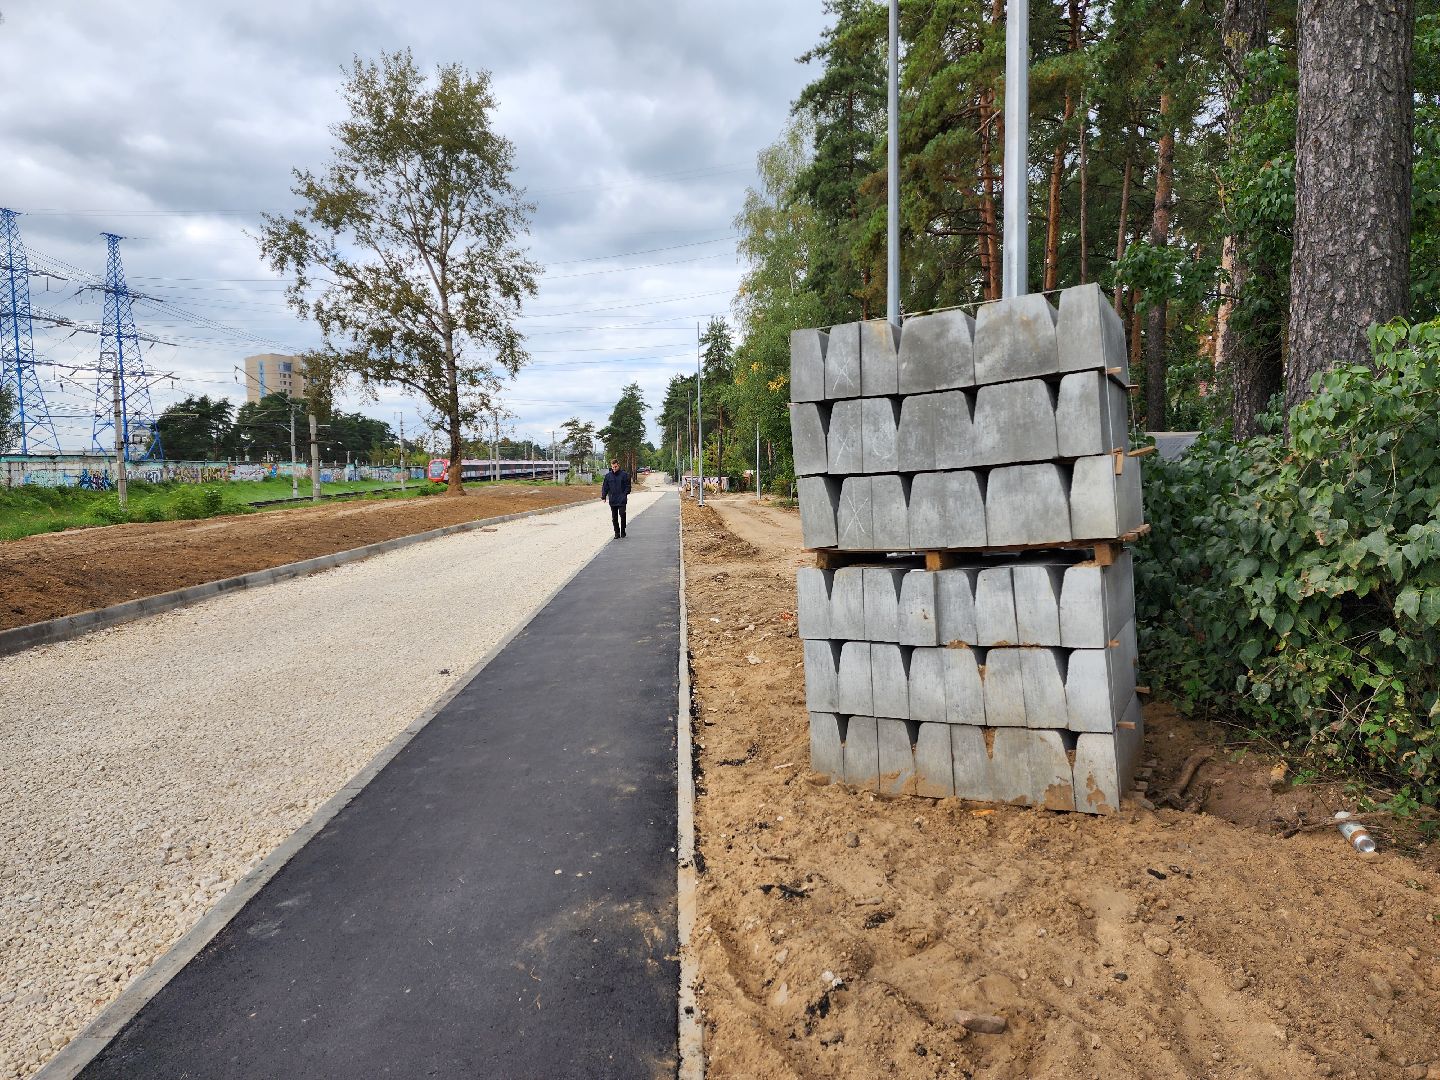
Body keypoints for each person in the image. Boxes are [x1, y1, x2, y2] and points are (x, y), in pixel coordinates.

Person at [600, 459, 632, 538]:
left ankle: (623, 531)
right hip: (613, 499)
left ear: (618, 465)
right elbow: (605, 487)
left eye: (615, 467)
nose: (614, 468)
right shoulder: (608, 476)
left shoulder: (624, 475)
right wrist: (604, 496)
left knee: (622, 515)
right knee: (614, 518)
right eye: (613, 467)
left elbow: (628, 487)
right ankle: (616, 533)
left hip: (622, 500)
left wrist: (624, 494)